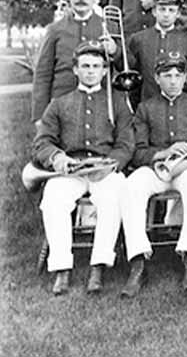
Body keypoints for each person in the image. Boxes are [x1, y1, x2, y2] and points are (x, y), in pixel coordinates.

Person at [32, 41, 133, 295]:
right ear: (75, 70)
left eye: (96, 66)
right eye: (85, 66)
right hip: (72, 170)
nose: (90, 71)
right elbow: (42, 142)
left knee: (113, 198)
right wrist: (57, 158)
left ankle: (98, 266)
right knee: (53, 198)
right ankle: (62, 269)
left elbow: (126, 142)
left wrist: (113, 163)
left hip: (105, 168)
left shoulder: (117, 102)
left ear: (105, 71)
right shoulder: (59, 103)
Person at [119, 52, 187, 297]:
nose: (173, 81)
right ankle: (138, 260)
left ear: (185, 78)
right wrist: (163, 153)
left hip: (186, 169)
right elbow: (137, 152)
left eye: (178, 75)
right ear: (157, 78)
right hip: (155, 169)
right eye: (167, 75)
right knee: (132, 186)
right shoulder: (145, 108)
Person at [32, 0, 116, 123]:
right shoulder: (55, 29)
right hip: (63, 105)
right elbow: (43, 74)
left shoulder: (109, 26)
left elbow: (127, 65)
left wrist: (114, 50)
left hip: (99, 106)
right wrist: (39, 116)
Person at [124, 0, 187, 102]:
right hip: (147, 104)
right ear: (154, 11)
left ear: (178, 13)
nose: (166, 14)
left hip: (178, 106)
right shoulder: (138, 39)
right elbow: (129, 70)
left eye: (171, 10)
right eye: (162, 9)